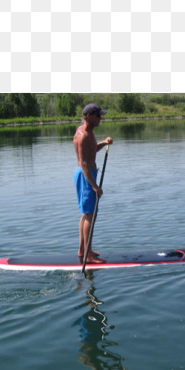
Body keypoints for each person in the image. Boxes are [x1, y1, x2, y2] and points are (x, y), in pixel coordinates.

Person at [74, 103, 113, 263]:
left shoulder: (87, 132)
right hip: (86, 175)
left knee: (86, 214)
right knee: (90, 214)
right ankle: (88, 255)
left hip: (86, 175)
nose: (100, 119)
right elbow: (84, 163)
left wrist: (103, 143)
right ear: (89, 116)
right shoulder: (83, 135)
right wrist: (94, 186)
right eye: (98, 115)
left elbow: (91, 152)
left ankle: (83, 250)